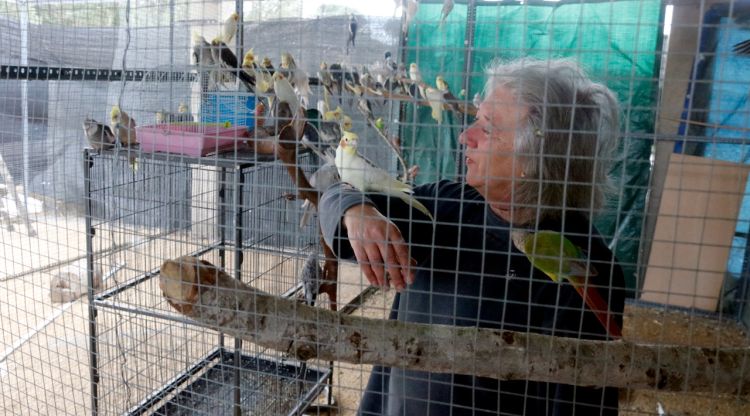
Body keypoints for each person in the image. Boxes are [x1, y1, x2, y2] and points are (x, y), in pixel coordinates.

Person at [319, 58, 625, 415]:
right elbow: (330, 184)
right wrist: (355, 210)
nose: (466, 136)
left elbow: (581, 404)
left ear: (532, 158)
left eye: (488, 128)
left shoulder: (586, 265)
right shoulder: (448, 206)